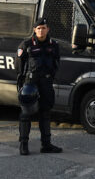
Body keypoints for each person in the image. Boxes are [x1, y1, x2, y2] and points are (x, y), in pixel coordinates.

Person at [15, 17, 63, 155]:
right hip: (30, 82)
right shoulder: (27, 44)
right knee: (26, 113)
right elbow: (18, 65)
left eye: (43, 28)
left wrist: (51, 76)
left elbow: (56, 62)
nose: (41, 31)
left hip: (46, 82)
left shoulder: (53, 45)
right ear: (35, 30)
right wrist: (22, 83)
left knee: (46, 113)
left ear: (48, 29)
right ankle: (23, 144)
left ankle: (46, 144)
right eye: (39, 28)